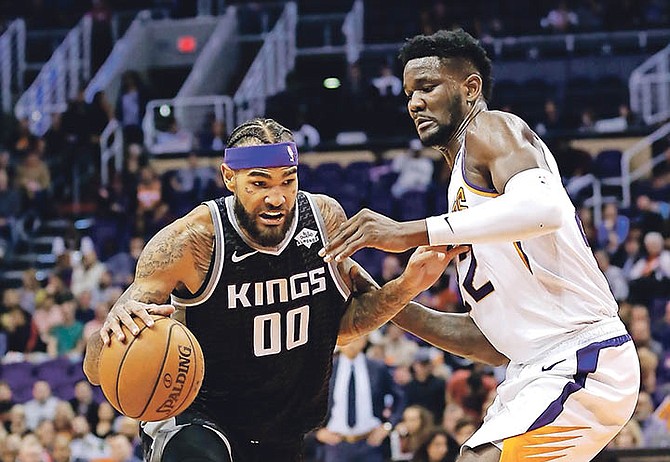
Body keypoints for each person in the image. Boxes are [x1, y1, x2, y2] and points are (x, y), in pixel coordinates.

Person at [320, 29, 640, 461]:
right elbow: (489, 342)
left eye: (427, 87)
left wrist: (407, 231)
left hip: (582, 356)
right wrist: (388, 301)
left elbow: (546, 208)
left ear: (470, 88)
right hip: (532, 369)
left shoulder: (493, 129)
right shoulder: (460, 191)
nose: (414, 103)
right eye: (408, 93)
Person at [83, 118, 465, 462]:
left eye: (288, 180)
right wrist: (110, 333)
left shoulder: (324, 219)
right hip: (200, 419)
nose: (277, 197)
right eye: (260, 183)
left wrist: (410, 284)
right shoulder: (191, 241)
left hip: (282, 429)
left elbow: (343, 326)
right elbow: (96, 370)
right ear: (229, 178)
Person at [315, 335, 404, 462]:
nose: (351, 342)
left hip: (369, 442)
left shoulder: (377, 368)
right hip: (335, 443)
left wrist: (387, 426)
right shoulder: (327, 370)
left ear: (365, 339)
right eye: (347, 338)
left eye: (356, 338)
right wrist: (316, 433)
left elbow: (399, 397)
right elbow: (308, 402)